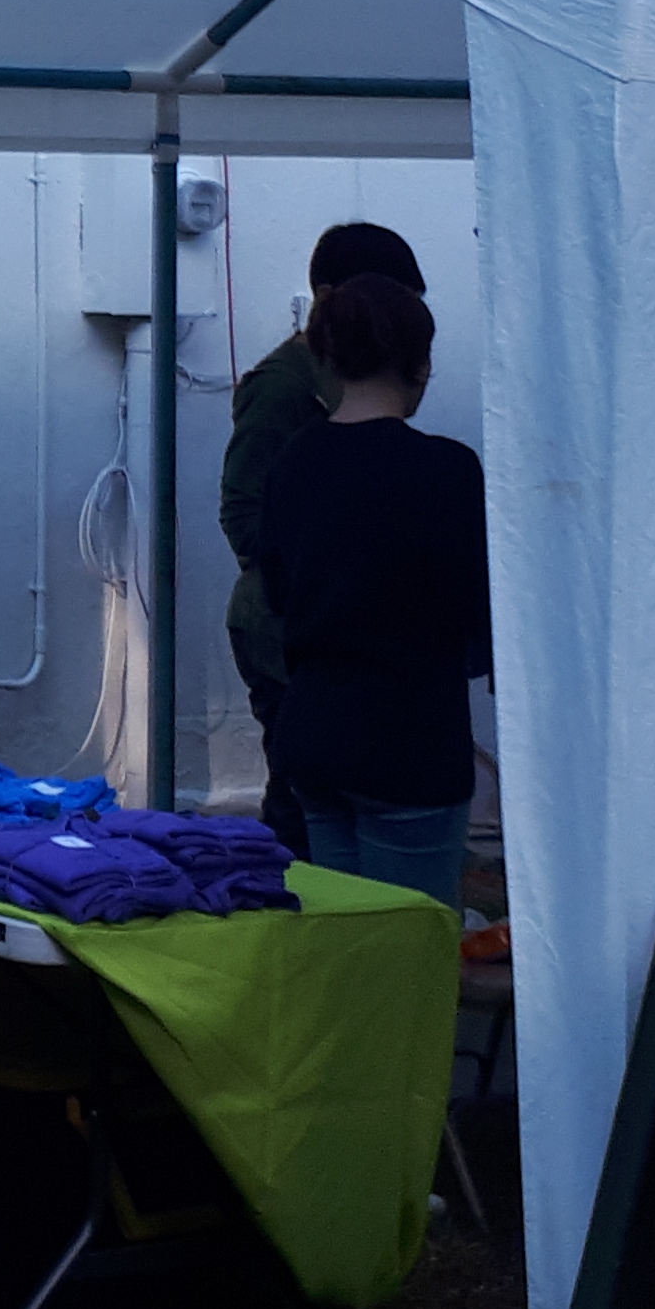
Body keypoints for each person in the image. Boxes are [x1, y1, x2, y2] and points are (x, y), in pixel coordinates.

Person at [253, 268, 492, 917]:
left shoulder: (295, 462)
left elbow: (276, 591)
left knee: (346, 945)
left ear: (327, 358)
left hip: (315, 734)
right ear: (422, 364)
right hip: (409, 741)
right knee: (410, 954)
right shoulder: (448, 471)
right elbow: (478, 611)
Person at [218, 222, 434, 843]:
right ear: (329, 296)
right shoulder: (285, 385)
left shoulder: (348, 372)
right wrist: (322, 579)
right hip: (281, 628)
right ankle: (290, 912)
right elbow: (242, 513)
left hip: (321, 623)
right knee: (299, 789)